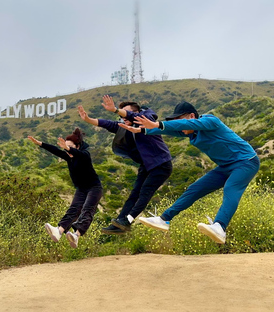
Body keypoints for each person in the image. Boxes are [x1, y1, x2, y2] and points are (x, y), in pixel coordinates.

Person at [120, 101, 260, 244]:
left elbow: (185, 125)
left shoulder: (210, 121)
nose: (178, 125)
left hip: (246, 162)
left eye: (179, 119)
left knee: (231, 188)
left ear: (192, 116)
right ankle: (164, 219)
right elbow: (172, 130)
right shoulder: (192, 134)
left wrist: (157, 124)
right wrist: (144, 130)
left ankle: (220, 227)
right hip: (226, 166)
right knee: (194, 189)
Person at [78, 95, 172, 234]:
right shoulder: (124, 125)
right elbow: (108, 124)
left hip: (161, 163)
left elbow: (134, 117)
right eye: (122, 116)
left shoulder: (147, 117)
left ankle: (127, 221)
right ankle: (120, 223)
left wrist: (116, 110)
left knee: (145, 192)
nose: (124, 118)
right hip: (146, 165)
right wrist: (88, 119)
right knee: (134, 194)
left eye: (125, 114)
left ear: (136, 112)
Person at [27, 128, 102, 249]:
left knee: (87, 210)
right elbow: (55, 151)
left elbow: (81, 154)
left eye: (70, 147)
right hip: (81, 188)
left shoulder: (85, 155)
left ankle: (76, 235)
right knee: (74, 209)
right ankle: (59, 231)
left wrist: (68, 148)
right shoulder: (69, 157)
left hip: (94, 188)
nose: (66, 150)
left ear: (77, 146)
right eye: (65, 147)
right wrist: (40, 143)